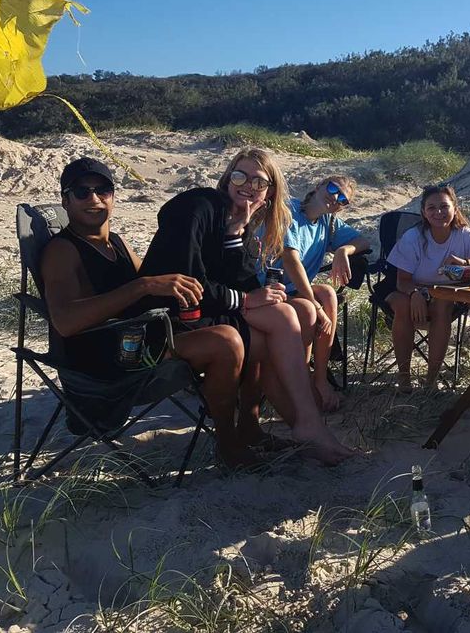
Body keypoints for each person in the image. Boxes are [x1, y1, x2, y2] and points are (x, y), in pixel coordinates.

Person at [138, 148, 356, 465]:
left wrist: (235, 238)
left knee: (289, 312)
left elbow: (239, 278)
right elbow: (188, 279)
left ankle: (281, 425)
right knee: (279, 321)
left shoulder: (239, 226)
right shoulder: (200, 204)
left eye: (259, 182)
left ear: (269, 193)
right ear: (227, 178)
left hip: (201, 314)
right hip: (165, 322)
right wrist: (246, 299)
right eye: (241, 176)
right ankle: (300, 425)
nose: (249, 186)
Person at [39, 157, 259, 468]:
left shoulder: (114, 242)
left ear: (113, 196)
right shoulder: (62, 250)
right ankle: (229, 443)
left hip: (134, 338)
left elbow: (158, 280)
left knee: (249, 328)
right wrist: (141, 287)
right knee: (225, 341)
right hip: (101, 359)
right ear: (66, 200)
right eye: (82, 192)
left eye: (103, 190)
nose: (94, 199)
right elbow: (65, 322)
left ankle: (250, 427)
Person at [259, 176, 370, 413]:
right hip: (267, 287)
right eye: (332, 189)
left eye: (343, 200)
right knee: (310, 308)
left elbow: (362, 241)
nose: (335, 198)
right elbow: (290, 259)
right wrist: (315, 306)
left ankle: (318, 378)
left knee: (329, 293)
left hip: (293, 289)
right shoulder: (288, 209)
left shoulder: (328, 223)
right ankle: (301, 382)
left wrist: (342, 250)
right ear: (318, 185)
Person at [385, 184, 470, 389]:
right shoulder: (414, 237)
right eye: (431, 208)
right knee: (402, 305)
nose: (438, 212)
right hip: (407, 289)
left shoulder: (464, 234)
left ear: (455, 208)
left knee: (443, 302)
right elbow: (402, 280)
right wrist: (415, 294)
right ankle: (403, 377)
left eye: (444, 206)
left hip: (446, 295)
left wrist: (466, 262)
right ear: (424, 213)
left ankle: (431, 379)